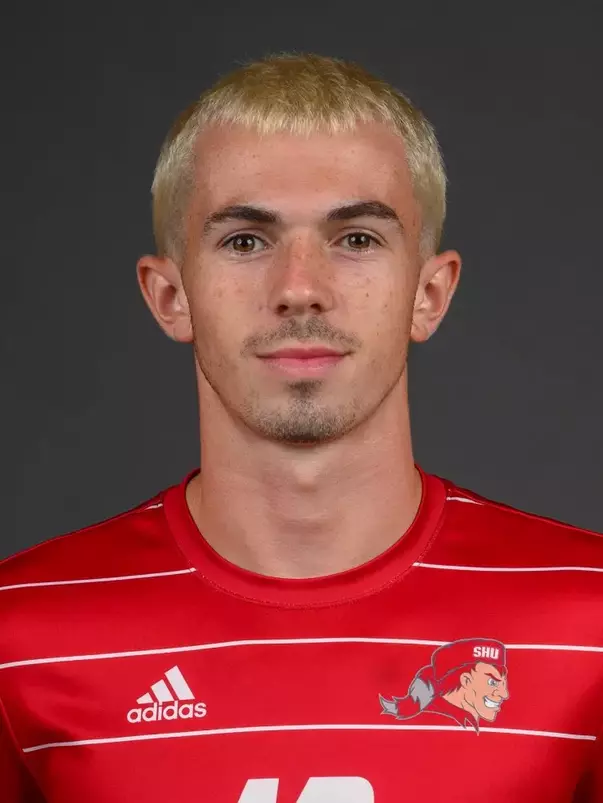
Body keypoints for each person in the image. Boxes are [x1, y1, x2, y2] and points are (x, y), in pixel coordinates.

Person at [1, 53, 601, 803]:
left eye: (357, 239)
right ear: (170, 296)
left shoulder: (589, 621)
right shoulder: (18, 637)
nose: (299, 289)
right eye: (245, 241)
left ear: (429, 293)